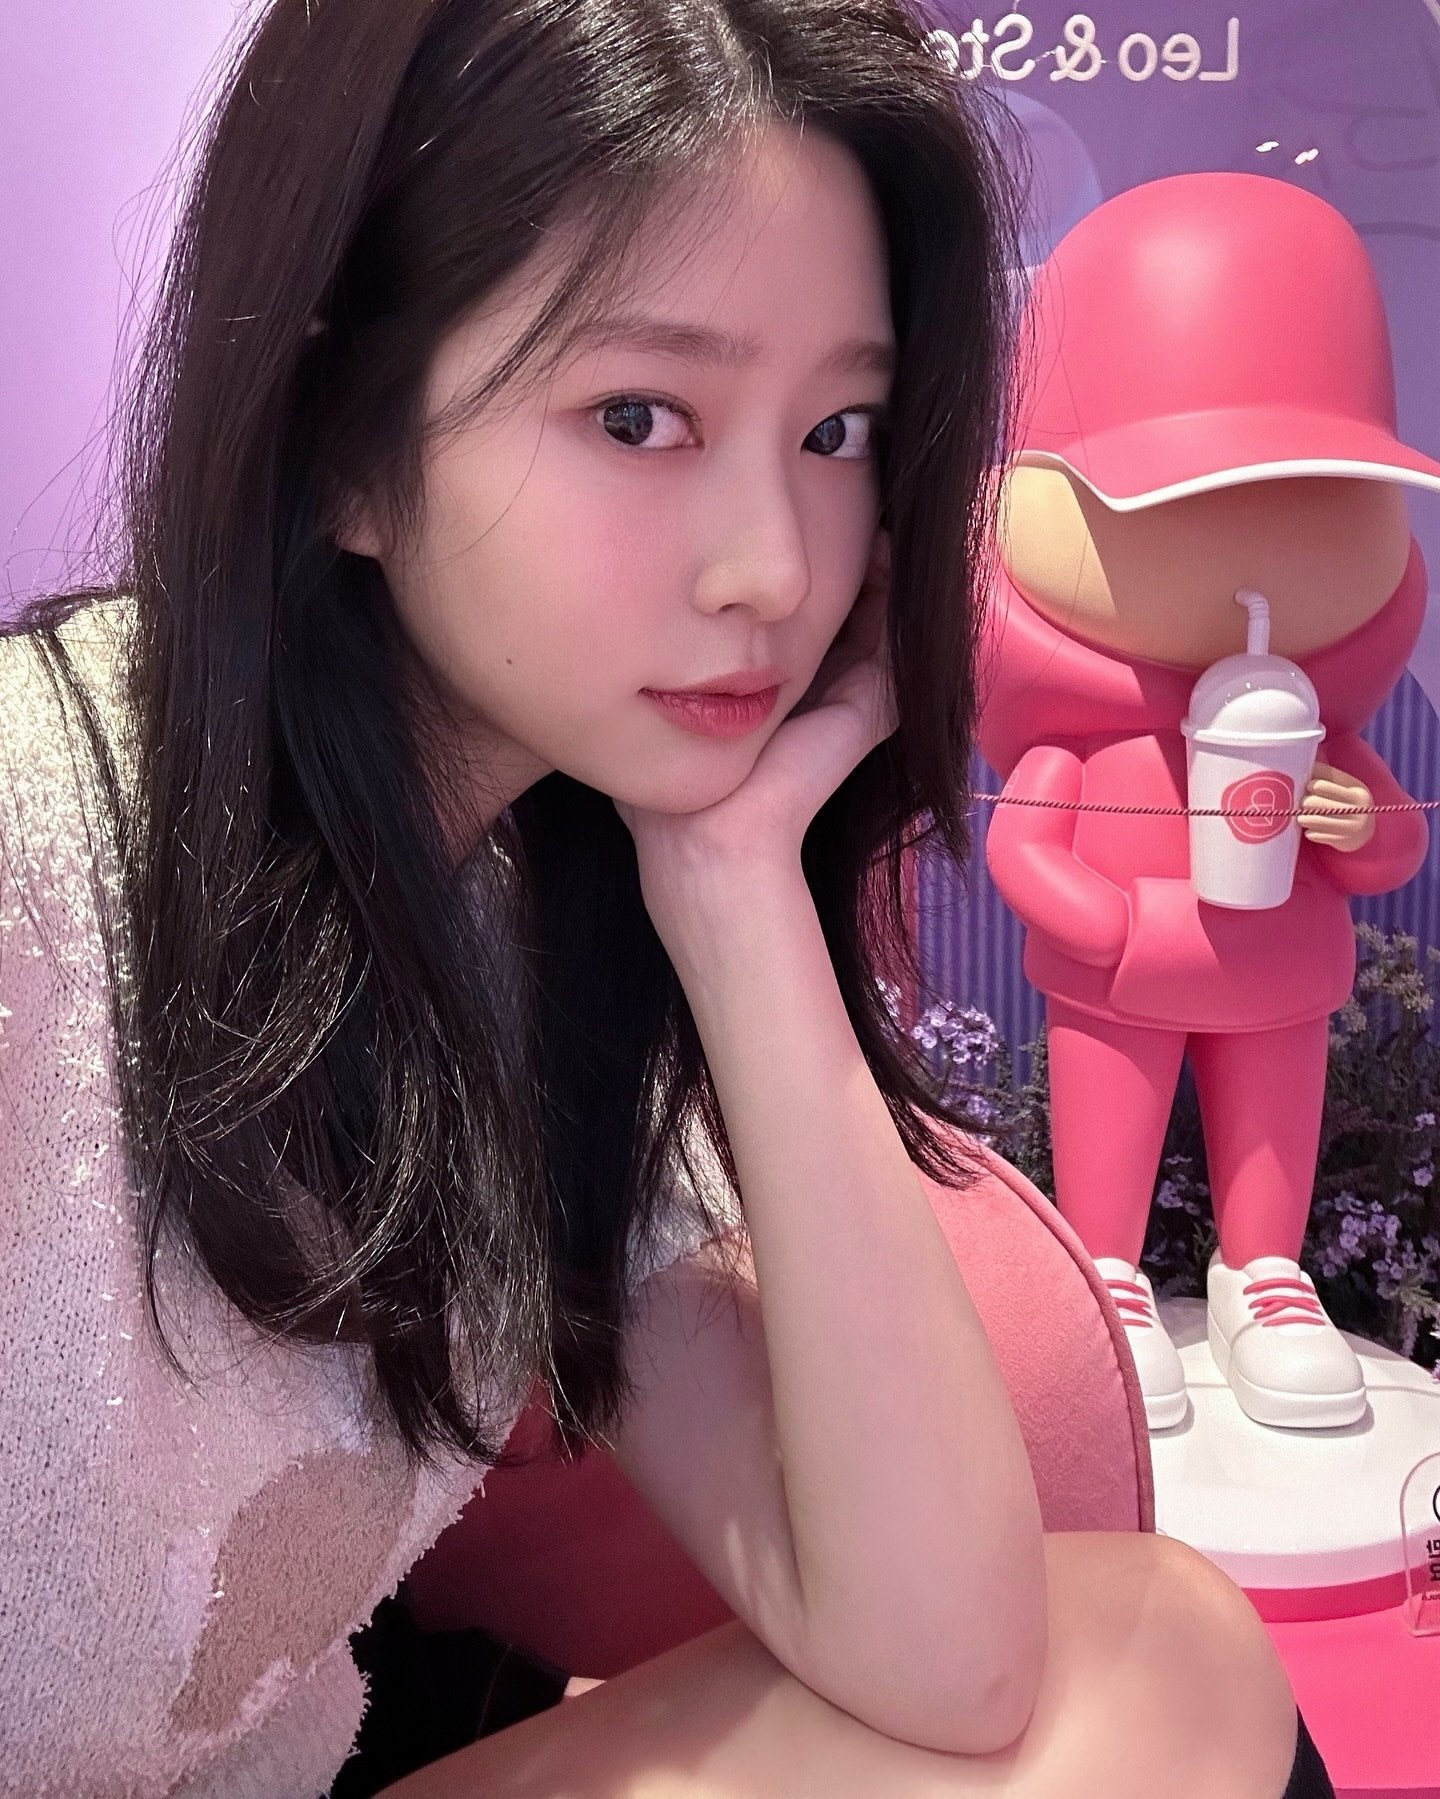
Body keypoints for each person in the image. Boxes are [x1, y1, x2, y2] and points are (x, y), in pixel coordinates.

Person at [0, 1, 1332, 1794]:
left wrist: (733, 885)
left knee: (1166, 1655)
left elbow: (946, 1654)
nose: (773, 569)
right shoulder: (39, 865)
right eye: (640, 417)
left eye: (839, 429)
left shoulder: (529, 937)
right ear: (342, 441)